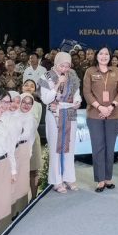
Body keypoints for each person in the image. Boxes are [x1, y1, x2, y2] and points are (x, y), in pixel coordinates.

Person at [82, 47, 118, 192]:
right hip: (95, 115)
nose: (104, 56)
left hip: (113, 114)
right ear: (97, 56)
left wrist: (111, 107)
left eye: (107, 53)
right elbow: (87, 92)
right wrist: (100, 107)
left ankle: (108, 178)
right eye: (101, 53)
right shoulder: (90, 71)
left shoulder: (116, 71)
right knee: (98, 147)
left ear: (110, 56)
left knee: (110, 147)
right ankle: (100, 180)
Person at [40, 52, 82, 193]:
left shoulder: (73, 76)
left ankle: (69, 178)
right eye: (62, 65)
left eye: (67, 65)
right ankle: (56, 181)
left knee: (69, 146)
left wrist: (77, 101)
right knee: (56, 148)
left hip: (69, 112)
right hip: (54, 113)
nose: (65, 68)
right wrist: (58, 83)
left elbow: (77, 94)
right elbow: (46, 99)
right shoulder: (46, 76)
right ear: (56, 64)